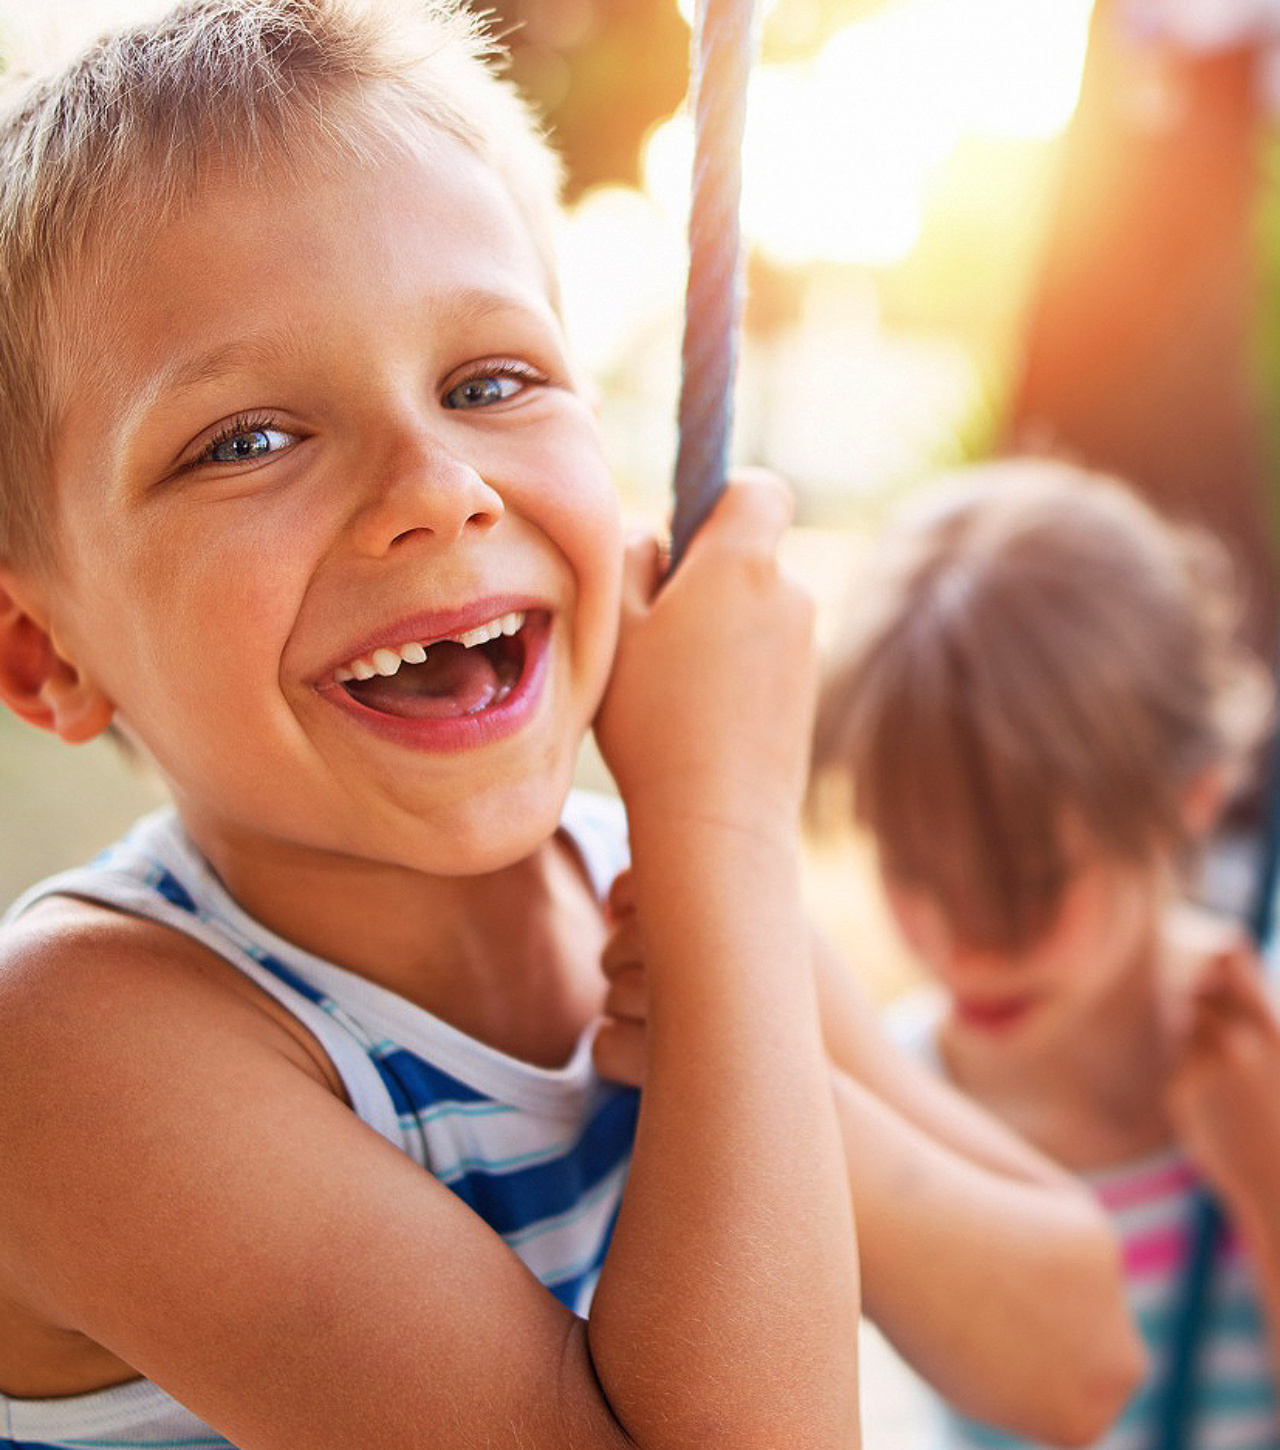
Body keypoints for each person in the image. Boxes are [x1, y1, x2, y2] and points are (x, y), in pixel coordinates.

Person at [0, 5, 1139, 1448]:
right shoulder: (75, 1048)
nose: (438, 486)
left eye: (490, 382)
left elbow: (1081, 1354)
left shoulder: (663, 889)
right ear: (45, 655)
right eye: (247, 439)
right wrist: (724, 833)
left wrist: (753, 1052)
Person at [809, 458, 1280, 1448]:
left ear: (1188, 799)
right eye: (910, 868)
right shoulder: (897, 1102)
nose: (962, 943)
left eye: (1026, 878)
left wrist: (1263, 1179)